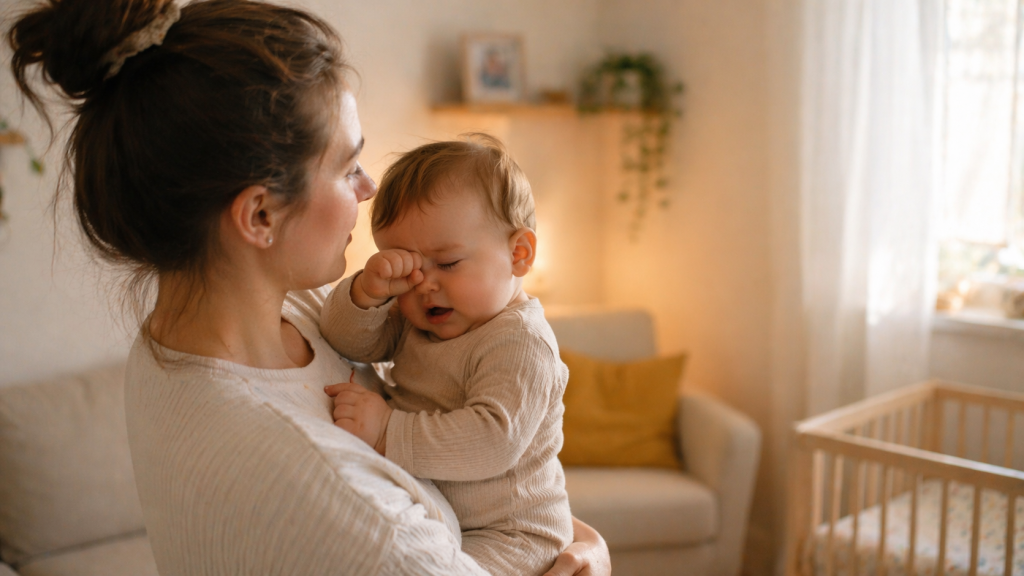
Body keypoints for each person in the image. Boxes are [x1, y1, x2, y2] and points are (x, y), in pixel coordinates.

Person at [7, 0, 611, 574]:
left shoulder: (192, 333)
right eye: (349, 167)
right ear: (260, 216)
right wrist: (594, 553)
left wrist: (581, 537)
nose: (369, 187)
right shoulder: (355, 513)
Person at [320, 135, 572, 576]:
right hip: (442, 519)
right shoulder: (421, 314)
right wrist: (367, 293)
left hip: (512, 534)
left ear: (519, 254)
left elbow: (494, 441)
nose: (424, 284)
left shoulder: (520, 340)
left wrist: (387, 432)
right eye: (408, 266)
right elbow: (348, 342)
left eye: (448, 263)